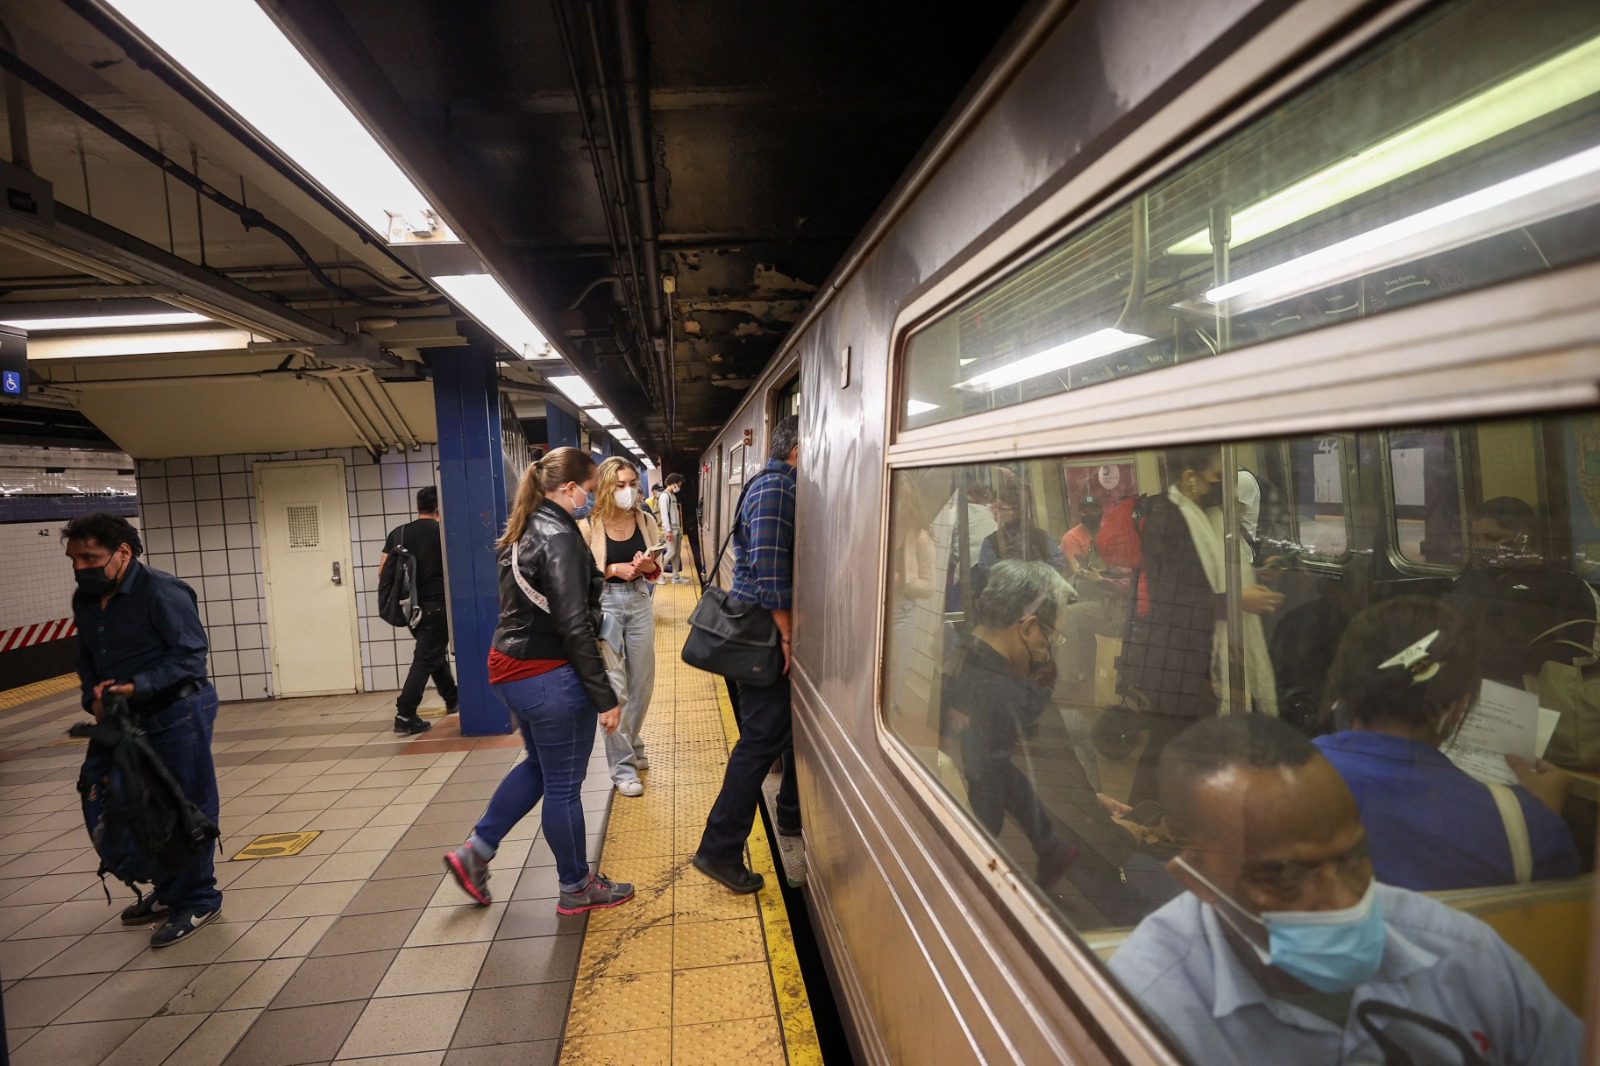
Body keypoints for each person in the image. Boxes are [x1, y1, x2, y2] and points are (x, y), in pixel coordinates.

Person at [1109, 715, 1582, 1065]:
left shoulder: (1459, 956)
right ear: (1198, 879)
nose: (1344, 901)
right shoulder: (1145, 1015)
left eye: (1353, 858)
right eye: (1286, 876)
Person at [442, 447, 633, 915]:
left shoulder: (524, 527)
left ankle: (476, 851)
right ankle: (576, 886)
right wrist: (604, 696)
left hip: (512, 668)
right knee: (564, 786)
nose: (592, 498)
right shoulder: (560, 536)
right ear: (568, 488)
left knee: (540, 768)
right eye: (590, 489)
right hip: (548, 675)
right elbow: (573, 624)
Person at [942, 560, 1179, 922]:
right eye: (1053, 637)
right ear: (1029, 627)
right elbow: (1077, 831)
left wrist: (1086, 797)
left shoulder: (958, 662)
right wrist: (1124, 836)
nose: (1050, 649)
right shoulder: (1020, 700)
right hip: (1063, 882)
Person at [1313, 596, 1577, 890]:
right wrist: (1539, 816)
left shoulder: (1286, 776)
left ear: (1342, 683)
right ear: (1458, 707)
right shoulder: (1525, 827)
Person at [64, 513, 222, 948]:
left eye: (89, 557)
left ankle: (199, 897)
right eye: (74, 559)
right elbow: (86, 655)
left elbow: (190, 656)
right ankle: (169, 888)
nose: (80, 567)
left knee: (184, 802)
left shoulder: (162, 591)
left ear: (123, 552)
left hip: (177, 710)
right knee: (136, 801)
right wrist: (92, 697)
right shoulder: (85, 598)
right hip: (123, 717)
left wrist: (136, 685)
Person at [1117, 445, 1282, 805]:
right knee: (1169, 751)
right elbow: (1175, 602)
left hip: (1201, 655)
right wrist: (1237, 600)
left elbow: (1211, 577)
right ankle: (1140, 819)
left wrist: (1254, 576)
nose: (1223, 488)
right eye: (1217, 478)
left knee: (1184, 753)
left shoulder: (1211, 517)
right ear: (1190, 477)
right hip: (1178, 662)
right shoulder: (1167, 521)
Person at [693, 415, 802, 893]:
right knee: (760, 740)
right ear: (798, 448)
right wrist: (787, 633)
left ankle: (755, 828)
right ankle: (718, 850)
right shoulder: (777, 487)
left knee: (766, 736)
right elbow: (769, 566)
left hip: (757, 627)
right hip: (762, 629)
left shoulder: (769, 482)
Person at [1444, 496, 1599, 684]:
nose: (1481, 545)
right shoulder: (1469, 581)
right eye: (1476, 538)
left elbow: (1586, 652)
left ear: (1524, 536)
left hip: (1525, 686)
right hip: (1459, 682)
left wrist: (1506, 659)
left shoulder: (1564, 586)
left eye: (1493, 538)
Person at [579, 456, 663, 797]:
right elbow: (579, 575)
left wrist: (646, 567)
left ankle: (632, 741)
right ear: (604, 487)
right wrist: (613, 569)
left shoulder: (644, 519)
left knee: (642, 683)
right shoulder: (588, 525)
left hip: (639, 600)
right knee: (616, 689)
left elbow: (657, 570)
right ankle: (623, 767)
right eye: (620, 485)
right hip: (605, 606)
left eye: (632, 484)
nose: (628, 491)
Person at [379, 485, 458, 735]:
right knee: (425, 659)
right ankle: (405, 713)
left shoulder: (399, 533)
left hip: (411, 609)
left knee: (432, 653)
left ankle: (452, 697)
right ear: (439, 508)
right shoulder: (444, 532)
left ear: (417, 507)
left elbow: (383, 571)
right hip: (438, 607)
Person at [1059, 496, 1104, 576]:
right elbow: (1077, 571)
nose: (1091, 515)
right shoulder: (1071, 537)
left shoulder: (1110, 531)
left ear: (1102, 512)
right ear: (1079, 514)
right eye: (1086, 512)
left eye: (1095, 510)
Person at [658, 473, 690, 583]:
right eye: (678, 485)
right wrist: (668, 530)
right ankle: (658, 575)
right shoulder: (664, 496)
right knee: (671, 552)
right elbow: (664, 515)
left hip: (677, 529)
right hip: (670, 529)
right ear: (673, 483)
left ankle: (676, 576)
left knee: (676, 553)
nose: (679, 488)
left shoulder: (672, 496)